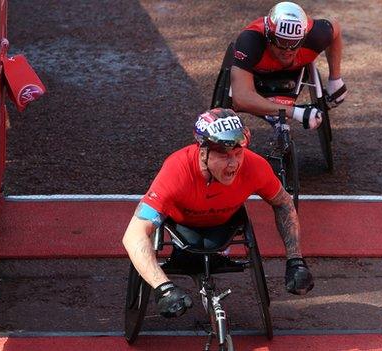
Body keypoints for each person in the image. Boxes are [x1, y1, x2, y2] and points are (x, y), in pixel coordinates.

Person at [122, 108, 314, 318]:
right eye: (224, 155)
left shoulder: (254, 166)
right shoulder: (176, 171)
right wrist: (163, 287)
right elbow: (134, 233)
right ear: (203, 153)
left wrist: (295, 260)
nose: (234, 164)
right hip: (181, 227)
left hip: (225, 225)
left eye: (238, 153)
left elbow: (284, 203)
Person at [230, 1, 346, 130]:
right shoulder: (250, 41)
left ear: (304, 37)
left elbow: (335, 27)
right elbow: (240, 98)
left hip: (295, 72)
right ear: (269, 35)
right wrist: (294, 112)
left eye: (294, 43)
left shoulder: (317, 35)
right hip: (257, 75)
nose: (288, 50)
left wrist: (335, 79)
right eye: (282, 42)